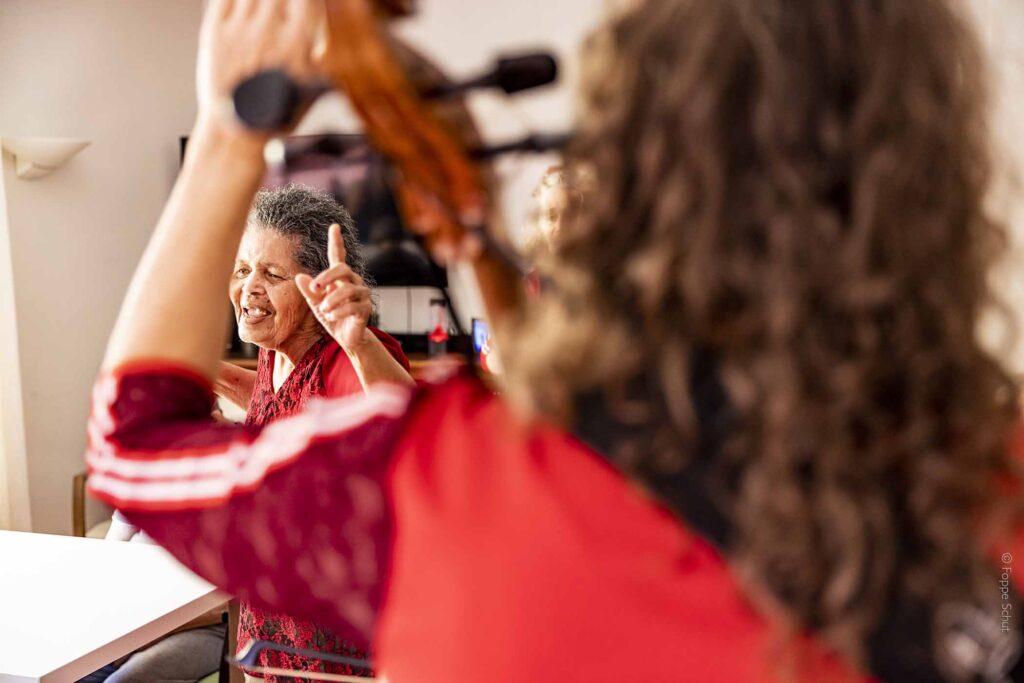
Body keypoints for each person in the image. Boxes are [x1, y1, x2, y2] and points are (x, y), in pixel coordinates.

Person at [85, 0, 1024, 681]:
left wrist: (225, 133)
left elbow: (135, 440)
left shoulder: (458, 480)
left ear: (629, 180)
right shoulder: (980, 467)